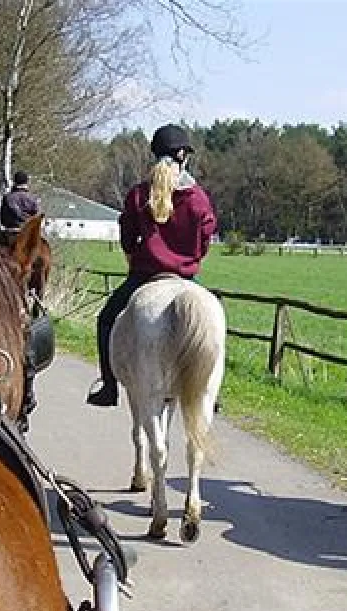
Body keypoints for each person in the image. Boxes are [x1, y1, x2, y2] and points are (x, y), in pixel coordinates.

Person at [86, 123, 217, 407]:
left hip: (145, 276)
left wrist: (135, 255)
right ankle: (209, 389)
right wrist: (190, 258)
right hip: (184, 278)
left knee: (106, 318)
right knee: (212, 322)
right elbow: (205, 239)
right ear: (183, 155)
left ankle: (108, 387)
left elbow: (126, 235)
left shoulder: (138, 194)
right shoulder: (198, 199)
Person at [0, 171, 40, 246]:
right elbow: (37, 216)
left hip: (10, 232)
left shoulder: (8, 197)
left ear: (14, 181)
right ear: (27, 182)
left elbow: (2, 219)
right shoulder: (34, 198)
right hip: (29, 232)